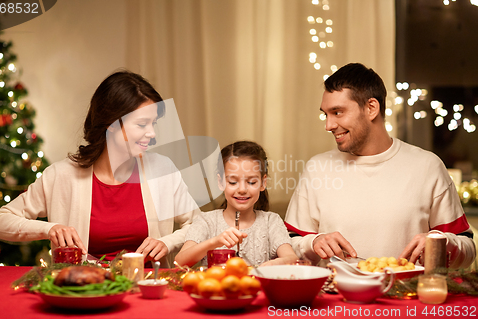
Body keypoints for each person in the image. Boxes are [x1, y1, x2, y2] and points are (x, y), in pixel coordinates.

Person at [0, 71, 198, 266]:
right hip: (85, 290)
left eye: (154, 123)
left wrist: (167, 242)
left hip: (148, 290)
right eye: (142, 125)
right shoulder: (61, 175)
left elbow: (199, 224)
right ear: (112, 124)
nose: (152, 133)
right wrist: (49, 229)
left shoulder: (162, 169)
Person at [285, 63, 476, 268]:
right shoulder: (317, 168)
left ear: (371, 108)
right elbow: (287, 243)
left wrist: (441, 243)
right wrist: (312, 243)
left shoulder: (428, 166)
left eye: (337, 112)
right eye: (326, 114)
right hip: (337, 297)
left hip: (407, 297)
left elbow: (467, 247)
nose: (328, 125)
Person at [175, 141, 298, 267]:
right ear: (221, 182)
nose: (242, 190)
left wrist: (274, 264)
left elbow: (292, 258)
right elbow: (179, 262)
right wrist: (214, 242)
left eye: (251, 182)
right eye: (233, 182)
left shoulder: (271, 221)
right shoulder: (206, 221)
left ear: (263, 183)